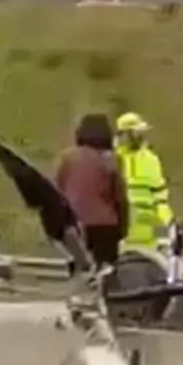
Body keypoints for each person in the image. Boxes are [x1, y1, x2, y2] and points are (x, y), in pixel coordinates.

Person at [52, 113, 129, 267]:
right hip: (105, 226)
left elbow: (57, 191)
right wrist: (123, 227)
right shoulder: (112, 159)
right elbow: (119, 196)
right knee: (106, 273)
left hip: (74, 225)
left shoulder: (67, 158)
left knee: (80, 272)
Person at [114, 112, 174, 252]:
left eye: (141, 133)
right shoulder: (113, 160)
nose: (139, 137)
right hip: (119, 238)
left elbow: (160, 198)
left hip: (147, 238)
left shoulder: (151, 160)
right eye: (135, 133)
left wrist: (169, 223)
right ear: (123, 134)